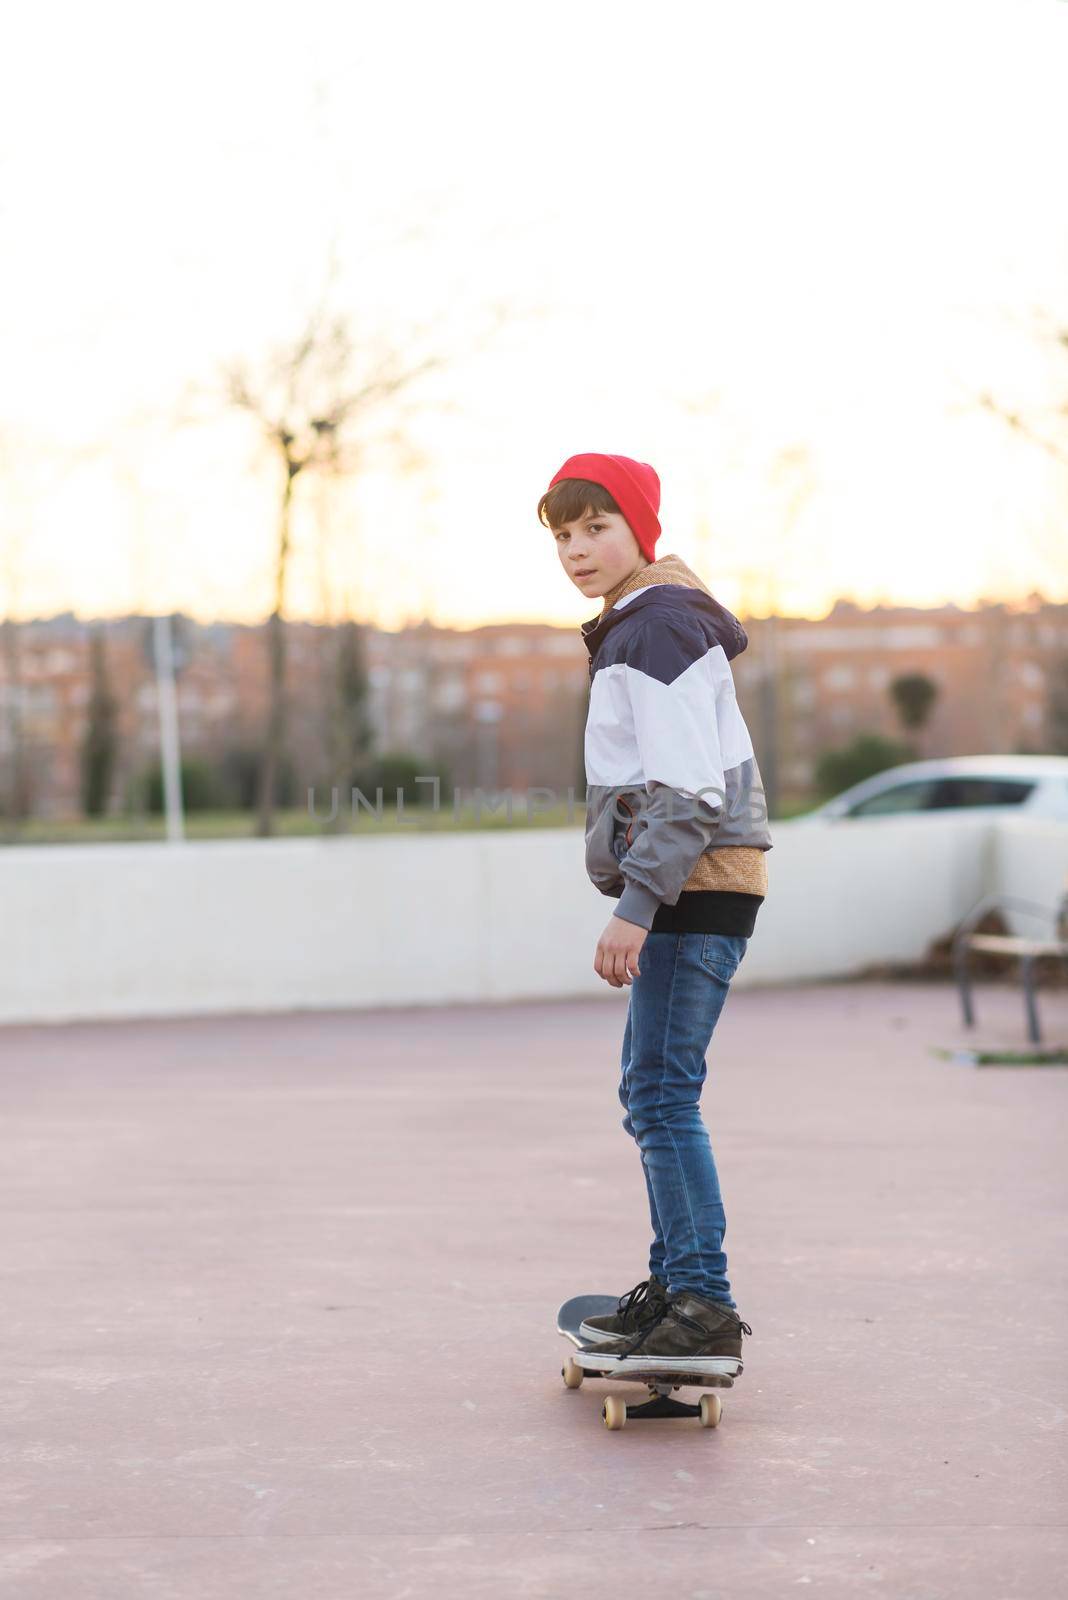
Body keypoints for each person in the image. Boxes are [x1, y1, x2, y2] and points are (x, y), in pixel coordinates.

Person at [536, 451, 773, 1381]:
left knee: (664, 1097)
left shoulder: (659, 629)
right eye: (561, 534)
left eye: (595, 527)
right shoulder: (641, 626)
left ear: (641, 530)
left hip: (691, 885)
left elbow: (688, 788)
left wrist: (635, 907)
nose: (576, 549)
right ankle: (676, 1286)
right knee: (653, 1093)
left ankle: (702, 1303)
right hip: (692, 884)